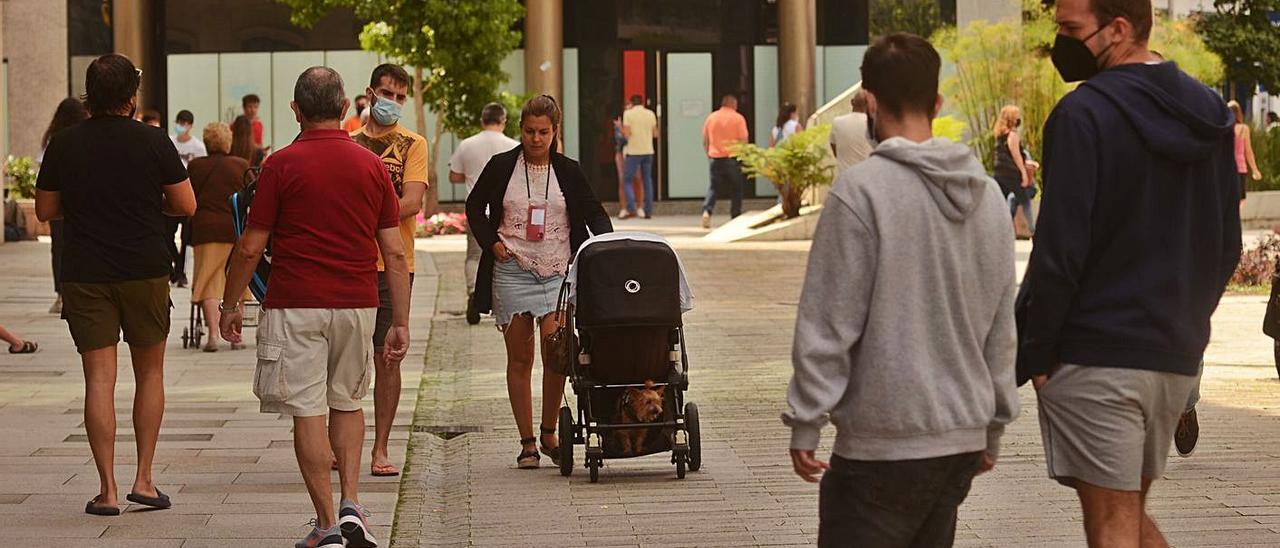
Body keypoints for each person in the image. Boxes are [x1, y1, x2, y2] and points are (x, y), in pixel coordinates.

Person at [783, 33, 1018, 548]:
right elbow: (1002, 327)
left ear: (868, 100)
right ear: (937, 103)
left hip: (881, 447)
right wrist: (994, 425)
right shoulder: (986, 197)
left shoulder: (860, 193)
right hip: (959, 443)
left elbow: (827, 322)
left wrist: (807, 420)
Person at [1021, 1, 1241, 545]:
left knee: (1113, 523)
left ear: (1118, 30)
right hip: (1171, 356)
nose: (1060, 42)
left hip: (1096, 353)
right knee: (1128, 514)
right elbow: (1227, 246)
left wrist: (1037, 354)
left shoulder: (1081, 115)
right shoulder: (1210, 110)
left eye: (1070, 30)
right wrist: (1187, 327)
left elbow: (1059, 251)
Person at [220, 66, 409, 548]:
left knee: (308, 412)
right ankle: (352, 505)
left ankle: (326, 525)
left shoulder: (280, 165)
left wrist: (228, 305)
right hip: (357, 302)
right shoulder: (371, 165)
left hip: (294, 303)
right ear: (346, 108)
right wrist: (400, 321)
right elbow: (394, 252)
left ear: (295, 110)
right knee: (348, 402)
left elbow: (248, 247)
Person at [35, 53, 197, 516]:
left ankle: (106, 489)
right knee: (150, 373)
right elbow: (185, 204)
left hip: (85, 271)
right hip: (144, 267)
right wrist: (146, 208)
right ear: (132, 96)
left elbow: (46, 210)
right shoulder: (153, 141)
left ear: (90, 94)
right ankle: (143, 480)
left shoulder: (65, 144)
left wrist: (87, 209)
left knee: (99, 379)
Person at [466, 95, 612, 469]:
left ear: (554, 131)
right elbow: (474, 207)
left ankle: (550, 432)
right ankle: (527, 443)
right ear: (521, 129)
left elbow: (594, 211)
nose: (535, 139)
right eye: (529, 131)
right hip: (512, 268)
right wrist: (492, 243)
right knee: (520, 358)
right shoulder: (501, 167)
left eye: (543, 132)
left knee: (556, 354)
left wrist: (608, 247)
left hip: (556, 271)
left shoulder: (568, 170)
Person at [350, 63, 428, 478]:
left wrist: (361, 219)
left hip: (394, 264)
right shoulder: (348, 142)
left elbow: (412, 202)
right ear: (369, 93)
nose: (392, 103)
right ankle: (339, 441)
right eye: (386, 93)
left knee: (389, 358)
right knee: (342, 358)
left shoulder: (413, 143)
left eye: (399, 96)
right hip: (348, 263)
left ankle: (380, 447)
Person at [449, 102, 518, 326]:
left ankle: (472, 292)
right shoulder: (513, 146)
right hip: (506, 211)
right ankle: (502, 300)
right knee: (506, 256)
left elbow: (454, 176)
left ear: (482, 121)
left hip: (477, 211)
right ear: (504, 121)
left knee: (473, 255)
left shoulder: (467, 145)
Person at [187, 121, 251, 353]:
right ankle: (237, 336)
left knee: (208, 281)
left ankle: (213, 336)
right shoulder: (240, 165)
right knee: (238, 279)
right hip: (234, 231)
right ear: (227, 141)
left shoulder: (196, 166)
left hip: (205, 231)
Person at [39, 98, 90, 314]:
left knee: (58, 246)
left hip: (57, 198)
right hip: (81, 198)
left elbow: (43, 168)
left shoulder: (52, 139)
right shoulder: (83, 136)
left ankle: (61, 293)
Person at [167, 110, 207, 288]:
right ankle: (175, 267)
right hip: (170, 192)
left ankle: (180, 272)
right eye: (179, 122)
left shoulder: (198, 147)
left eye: (185, 123)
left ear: (191, 125)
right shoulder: (169, 142)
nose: (181, 126)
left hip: (189, 192)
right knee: (167, 234)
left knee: (185, 237)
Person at [701, 94, 750, 229]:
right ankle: (735, 215)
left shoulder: (711, 118)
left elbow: (705, 140)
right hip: (732, 158)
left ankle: (707, 211)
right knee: (737, 188)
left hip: (715, 157)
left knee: (713, 187)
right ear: (733, 104)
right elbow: (744, 139)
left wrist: (709, 154)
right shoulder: (738, 118)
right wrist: (743, 156)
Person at [993, 104, 1038, 233]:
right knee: (1025, 201)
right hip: (1012, 174)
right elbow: (1016, 156)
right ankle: (1033, 230)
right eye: (1016, 116)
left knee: (1001, 203)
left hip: (1000, 173)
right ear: (1011, 118)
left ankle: (1000, 230)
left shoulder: (999, 135)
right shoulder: (1012, 135)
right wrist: (1024, 173)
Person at [621, 94, 659, 219]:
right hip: (648, 151)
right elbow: (655, 134)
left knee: (627, 180)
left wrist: (620, 129)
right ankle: (648, 210)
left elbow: (626, 134)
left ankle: (632, 207)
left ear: (631, 103)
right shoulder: (650, 114)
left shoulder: (628, 114)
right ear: (642, 102)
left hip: (633, 151)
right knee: (647, 179)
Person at [829, 89, 873, 174]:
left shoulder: (837, 122)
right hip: (867, 178)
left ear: (852, 102)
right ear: (869, 105)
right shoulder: (873, 125)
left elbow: (834, 148)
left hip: (845, 179)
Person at [1228, 100, 1263, 202]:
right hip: (1240, 167)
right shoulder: (1244, 129)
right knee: (1241, 198)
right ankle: (1236, 216)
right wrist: (1255, 170)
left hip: (1226, 167)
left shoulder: (1224, 129)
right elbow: (1248, 151)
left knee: (1228, 196)